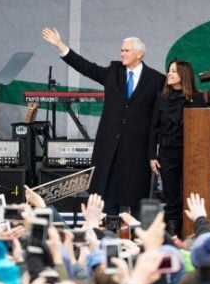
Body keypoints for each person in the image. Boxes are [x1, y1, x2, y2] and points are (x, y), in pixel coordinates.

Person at [41, 28, 165, 214]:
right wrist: (61, 45)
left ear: (139, 53)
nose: (122, 53)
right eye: (121, 50)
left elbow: (158, 117)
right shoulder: (113, 72)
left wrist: (153, 152)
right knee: (107, 199)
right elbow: (86, 67)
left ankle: (139, 238)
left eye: (126, 50)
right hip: (110, 149)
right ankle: (108, 234)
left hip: (136, 151)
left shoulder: (156, 79)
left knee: (136, 200)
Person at [148, 60, 205, 236]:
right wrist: (152, 155)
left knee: (192, 193)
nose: (169, 74)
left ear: (183, 75)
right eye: (169, 71)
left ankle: (193, 231)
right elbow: (153, 128)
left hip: (192, 154)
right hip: (167, 153)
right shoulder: (161, 97)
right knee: (171, 196)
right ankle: (174, 236)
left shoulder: (197, 99)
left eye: (173, 71)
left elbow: (203, 129)